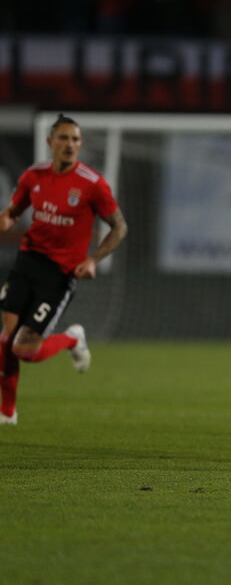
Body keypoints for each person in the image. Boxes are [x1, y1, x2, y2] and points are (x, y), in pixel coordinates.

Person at [0, 114, 128, 425]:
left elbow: (119, 227)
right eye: (64, 138)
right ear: (50, 142)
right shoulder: (34, 176)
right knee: (6, 340)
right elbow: (14, 210)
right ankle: (7, 412)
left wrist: (93, 259)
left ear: (80, 144)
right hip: (27, 262)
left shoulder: (92, 184)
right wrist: (7, 219)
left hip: (59, 275)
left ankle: (71, 338)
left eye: (75, 139)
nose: (70, 144)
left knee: (25, 349)